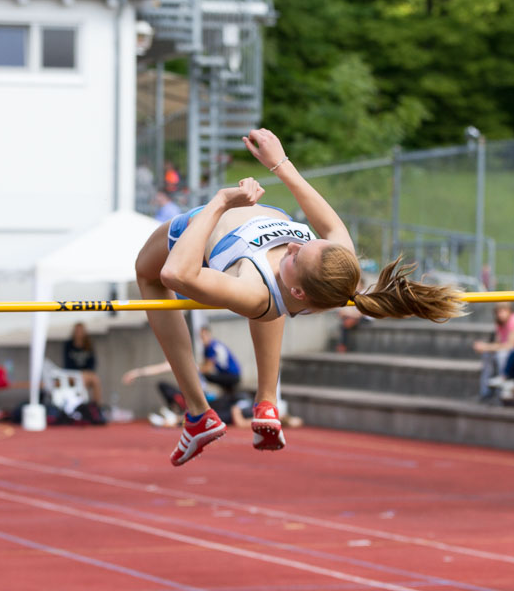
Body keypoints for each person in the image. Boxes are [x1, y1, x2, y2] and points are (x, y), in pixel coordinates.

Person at [134, 128, 462, 466]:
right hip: (258, 242)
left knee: (148, 276)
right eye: (305, 242)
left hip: (208, 227)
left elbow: (173, 274)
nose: (294, 244)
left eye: (294, 256)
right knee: (269, 303)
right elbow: (329, 226)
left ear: (299, 291)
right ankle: (267, 402)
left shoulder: (253, 289)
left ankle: (198, 411)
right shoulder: (339, 260)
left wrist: (219, 203)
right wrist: (280, 164)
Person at [475, 303, 514, 401]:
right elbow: (498, 343)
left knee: (501, 355)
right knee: (487, 355)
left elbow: (511, 345)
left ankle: (501, 389)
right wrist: (487, 348)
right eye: (498, 312)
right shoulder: (499, 323)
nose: (500, 314)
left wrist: (486, 347)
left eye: (503, 311)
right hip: (507, 351)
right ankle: (485, 391)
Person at [63, 322, 103, 405]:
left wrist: (87, 372)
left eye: (81, 330)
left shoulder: (88, 344)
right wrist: (80, 373)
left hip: (86, 373)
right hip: (72, 374)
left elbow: (92, 362)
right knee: (82, 379)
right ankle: (82, 405)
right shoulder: (68, 345)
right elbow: (67, 364)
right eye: (77, 331)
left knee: (95, 380)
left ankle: (96, 406)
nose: (79, 333)